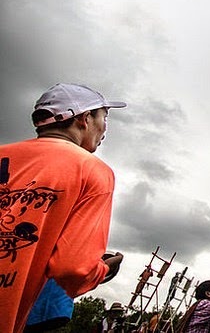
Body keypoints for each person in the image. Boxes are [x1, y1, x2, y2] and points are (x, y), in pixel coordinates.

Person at [0, 83, 126, 332]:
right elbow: (72, 268)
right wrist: (101, 270)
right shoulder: (93, 171)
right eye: (104, 118)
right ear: (84, 119)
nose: (104, 130)